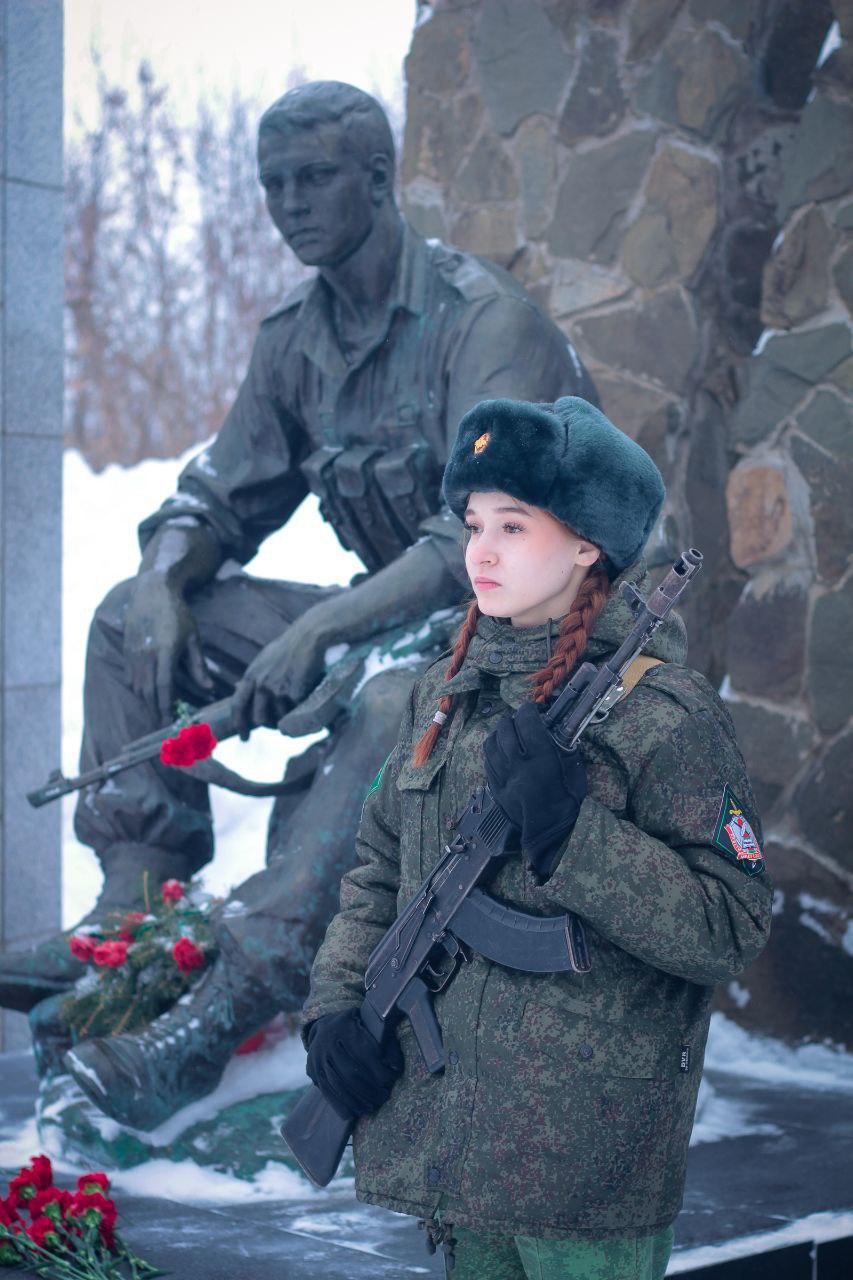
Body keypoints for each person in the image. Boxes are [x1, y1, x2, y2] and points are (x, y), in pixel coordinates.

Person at [9, 81, 595, 1126]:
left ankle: (222, 1011)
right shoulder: (296, 337)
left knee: (389, 706)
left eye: (312, 177)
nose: (287, 202)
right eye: (272, 182)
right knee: (124, 618)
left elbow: (485, 536)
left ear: (378, 179)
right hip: (393, 622)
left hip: (534, 643)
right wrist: (166, 574)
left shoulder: (484, 322)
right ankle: (134, 910)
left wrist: (323, 631)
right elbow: (219, 490)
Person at [301, 396, 772, 1279]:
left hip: (582, 1172)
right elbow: (375, 872)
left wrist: (572, 837)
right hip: (451, 1156)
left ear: (588, 543)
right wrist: (335, 1007)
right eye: (474, 522)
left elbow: (730, 925)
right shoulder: (440, 696)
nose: (480, 549)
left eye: (513, 525)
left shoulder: (661, 716)